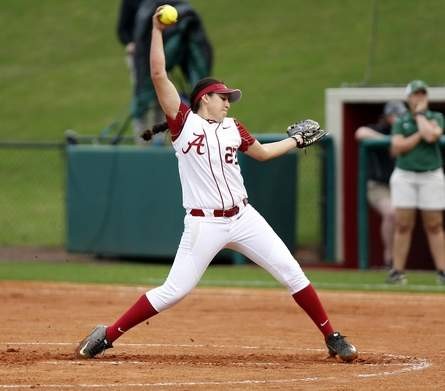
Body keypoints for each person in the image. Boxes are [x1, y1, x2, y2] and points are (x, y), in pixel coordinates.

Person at [75, 6, 358, 363]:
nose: (227, 101)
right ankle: (108, 335)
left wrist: (296, 142)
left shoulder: (233, 127)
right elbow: (158, 72)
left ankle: (331, 336)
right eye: (222, 96)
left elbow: (263, 154)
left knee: (292, 272)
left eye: (229, 98)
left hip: (243, 216)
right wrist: (156, 31)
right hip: (204, 222)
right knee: (174, 291)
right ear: (203, 99)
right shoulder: (182, 123)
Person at [117, 0, 213, 145]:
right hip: (140, 56)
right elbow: (122, 30)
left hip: (168, 51)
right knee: (145, 102)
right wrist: (131, 43)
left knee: (163, 101)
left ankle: (160, 143)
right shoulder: (132, 3)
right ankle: (143, 144)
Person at [387, 80, 445, 284]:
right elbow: (398, 145)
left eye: (422, 94)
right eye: (415, 94)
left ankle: (442, 271)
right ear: (408, 98)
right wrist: (421, 132)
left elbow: (431, 137)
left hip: (431, 174)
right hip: (405, 175)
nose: (419, 98)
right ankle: (397, 271)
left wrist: (421, 118)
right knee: (403, 224)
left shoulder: (437, 117)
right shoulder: (400, 121)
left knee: (435, 224)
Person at [355, 100, 407, 268]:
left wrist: (400, 142)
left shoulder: (408, 131)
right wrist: (389, 140)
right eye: (394, 116)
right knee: (391, 213)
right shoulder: (379, 130)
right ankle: (389, 257)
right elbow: (360, 133)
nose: (397, 119)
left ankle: (399, 263)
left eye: (400, 116)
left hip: (403, 185)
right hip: (379, 186)